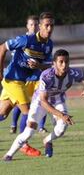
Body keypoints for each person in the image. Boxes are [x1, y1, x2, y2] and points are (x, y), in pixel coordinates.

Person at [3, 49, 84, 161]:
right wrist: (61, 115)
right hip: (39, 102)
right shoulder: (46, 76)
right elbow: (44, 101)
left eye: (67, 62)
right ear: (54, 63)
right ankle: (9, 155)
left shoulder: (74, 73)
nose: (64, 65)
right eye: (61, 62)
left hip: (58, 100)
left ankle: (47, 140)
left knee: (61, 129)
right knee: (29, 131)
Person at [0, 12, 55, 156]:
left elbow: (48, 66)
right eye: (46, 25)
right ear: (40, 26)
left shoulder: (49, 45)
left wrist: (38, 65)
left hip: (21, 82)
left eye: (52, 25)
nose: (49, 29)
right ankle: (23, 145)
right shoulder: (26, 40)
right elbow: (2, 48)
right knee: (29, 111)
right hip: (12, 80)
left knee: (3, 114)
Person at [10, 15, 48, 135]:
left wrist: (40, 65)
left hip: (38, 78)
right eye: (31, 24)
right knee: (21, 104)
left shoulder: (44, 42)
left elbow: (46, 61)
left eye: (36, 24)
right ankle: (14, 124)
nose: (34, 27)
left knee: (43, 100)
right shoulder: (22, 40)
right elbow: (15, 57)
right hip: (24, 79)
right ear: (27, 26)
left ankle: (41, 127)